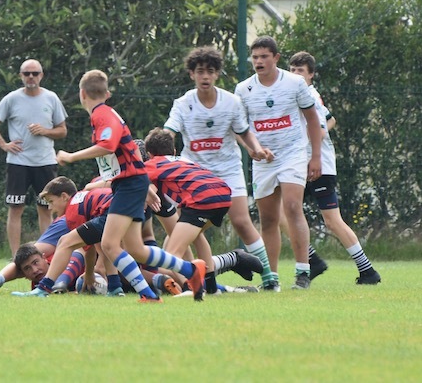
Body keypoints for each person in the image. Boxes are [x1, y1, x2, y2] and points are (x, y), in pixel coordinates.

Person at [55, 69, 206, 302]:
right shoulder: (106, 114)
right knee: (135, 249)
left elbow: (107, 146)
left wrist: (71, 156)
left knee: (109, 244)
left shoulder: (102, 115)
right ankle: (190, 271)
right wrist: (144, 184)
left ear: (82, 94)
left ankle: (150, 293)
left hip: (128, 185)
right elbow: (132, 150)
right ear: (107, 93)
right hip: (130, 184)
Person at [164, 46, 277, 287]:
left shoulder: (231, 102)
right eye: (200, 71)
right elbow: (169, 131)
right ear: (192, 74)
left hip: (228, 170)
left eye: (210, 71)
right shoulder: (183, 103)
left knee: (241, 221)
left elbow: (244, 132)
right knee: (188, 227)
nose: (205, 76)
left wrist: (256, 149)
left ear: (217, 74)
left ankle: (270, 277)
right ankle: (200, 280)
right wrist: (161, 148)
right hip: (194, 175)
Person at [234, 36, 323, 291]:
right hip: (265, 161)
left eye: (264, 56)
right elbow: (239, 129)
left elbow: (313, 120)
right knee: (268, 218)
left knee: (293, 207)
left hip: (293, 153)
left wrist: (315, 156)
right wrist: (253, 150)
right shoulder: (243, 90)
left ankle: (303, 272)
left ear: (276, 58)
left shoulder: (294, 83)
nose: (259, 61)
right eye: (255, 57)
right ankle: (271, 279)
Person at [288, 51, 381, 285]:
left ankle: (367, 271)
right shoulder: (301, 94)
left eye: (301, 71)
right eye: (293, 70)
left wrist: (312, 152)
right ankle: (313, 260)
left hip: (318, 166)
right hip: (301, 163)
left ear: (311, 75)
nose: (296, 74)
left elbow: (319, 129)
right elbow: (330, 120)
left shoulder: (308, 94)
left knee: (331, 220)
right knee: (283, 211)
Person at [0, 59, 68, 256]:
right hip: (18, 163)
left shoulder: (51, 98)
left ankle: (47, 255)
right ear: (20, 76)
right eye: (27, 73)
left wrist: (45, 131)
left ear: (41, 75)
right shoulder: (12, 99)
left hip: (45, 162)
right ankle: (16, 257)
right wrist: (4, 145)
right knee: (15, 209)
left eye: (35, 73)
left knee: (46, 209)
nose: (31, 77)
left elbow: (62, 130)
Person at [143, 127, 233, 295]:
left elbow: (136, 180)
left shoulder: (153, 163)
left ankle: (191, 287)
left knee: (172, 254)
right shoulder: (185, 160)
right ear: (174, 150)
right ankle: (211, 288)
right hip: (223, 194)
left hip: (201, 199)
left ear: (149, 154)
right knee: (197, 235)